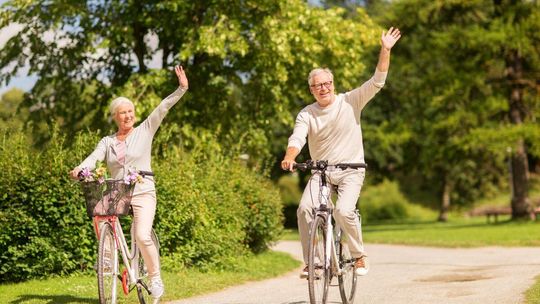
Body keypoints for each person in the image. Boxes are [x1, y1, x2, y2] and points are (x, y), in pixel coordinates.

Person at [281, 28, 401, 277]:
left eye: (327, 83)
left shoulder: (351, 101)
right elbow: (298, 137)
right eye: (317, 86)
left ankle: (359, 255)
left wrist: (385, 49)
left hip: (351, 171)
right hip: (321, 172)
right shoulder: (307, 113)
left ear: (333, 85)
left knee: (343, 211)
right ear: (311, 90)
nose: (323, 88)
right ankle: (313, 263)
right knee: (304, 209)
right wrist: (290, 156)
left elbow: (378, 80)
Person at [70, 65, 189, 299]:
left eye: (130, 111)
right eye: (122, 112)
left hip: (144, 191)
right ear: (115, 117)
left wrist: (181, 88)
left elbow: (162, 107)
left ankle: (155, 277)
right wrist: (79, 169)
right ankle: (107, 258)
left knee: (142, 235)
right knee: (99, 213)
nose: (128, 116)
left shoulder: (145, 129)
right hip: (118, 192)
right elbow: (93, 159)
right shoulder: (108, 141)